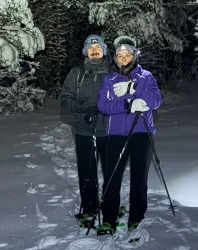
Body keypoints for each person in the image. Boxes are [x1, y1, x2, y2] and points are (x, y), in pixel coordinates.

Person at [96, 35, 162, 235]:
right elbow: (103, 105)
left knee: (139, 178)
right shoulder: (109, 79)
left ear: (134, 55)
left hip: (142, 133)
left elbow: (156, 100)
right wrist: (128, 103)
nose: (123, 59)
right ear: (115, 58)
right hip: (116, 135)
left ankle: (136, 218)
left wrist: (134, 87)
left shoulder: (146, 76)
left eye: (127, 55)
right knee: (111, 178)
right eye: (119, 55)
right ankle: (109, 219)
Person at [60, 34, 114, 228]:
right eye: (90, 48)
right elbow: (65, 100)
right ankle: (89, 210)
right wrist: (83, 107)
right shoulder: (77, 73)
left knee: (111, 173)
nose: (94, 50)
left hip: (111, 132)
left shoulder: (115, 72)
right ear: (85, 51)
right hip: (85, 131)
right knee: (87, 173)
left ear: (104, 50)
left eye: (97, 47)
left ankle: (110, 210)